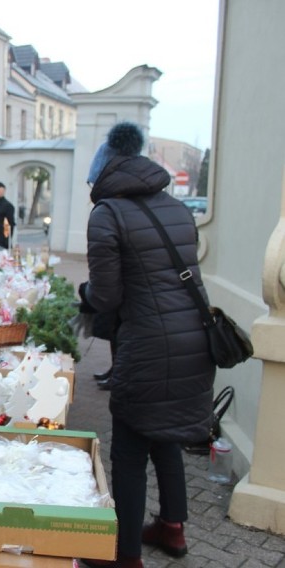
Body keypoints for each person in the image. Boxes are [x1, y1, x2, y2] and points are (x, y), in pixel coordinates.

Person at [77, 122, 215, 568]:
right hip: (193, 338)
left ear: (103, 174)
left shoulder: (107, 214)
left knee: (131, 448)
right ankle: (172, 529)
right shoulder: (176, 208)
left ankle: (126, 555)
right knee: (167, 433)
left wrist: (83, 294)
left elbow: (107, 296)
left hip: (148, 345)